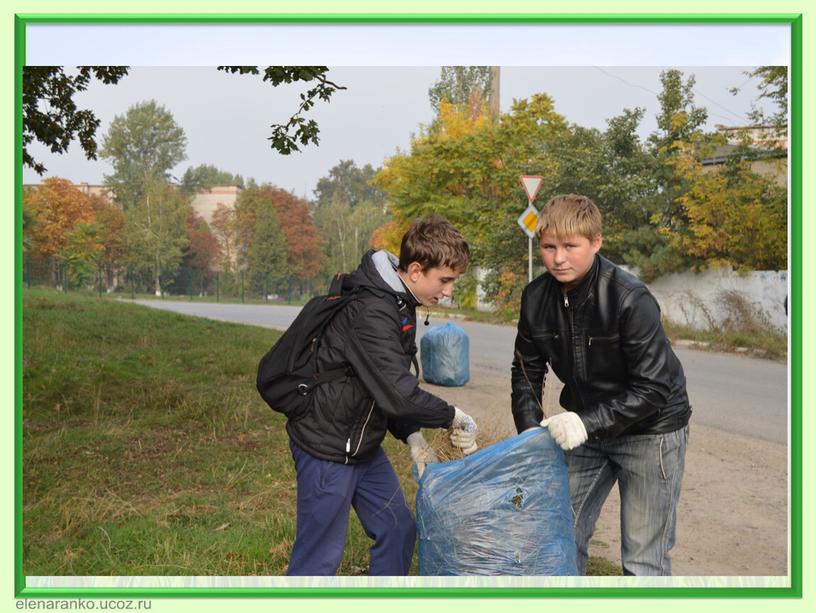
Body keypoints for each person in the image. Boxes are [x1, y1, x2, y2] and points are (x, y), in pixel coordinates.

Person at [286, 215, 478, 576]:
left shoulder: (398, 302)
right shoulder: (373, 309)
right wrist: (453, 415)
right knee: (319, 557)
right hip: (328, 445)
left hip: (361, 445)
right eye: (446, 280)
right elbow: (399, 392)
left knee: (397, 530)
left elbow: (380, 385)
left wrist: (411, 434)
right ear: (417, 270)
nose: (449, 290)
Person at [510, 194, 691, 576]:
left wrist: (585, 422)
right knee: (557, 535)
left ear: (595, 242)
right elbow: (526, 372)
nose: (558, 258)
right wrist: (529, 438)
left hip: (650, 429)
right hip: (586, 431)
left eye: (570, 246)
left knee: (643, 558)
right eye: (549, 247)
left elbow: (654, 388)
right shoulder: (535, 299)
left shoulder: (629, 298)